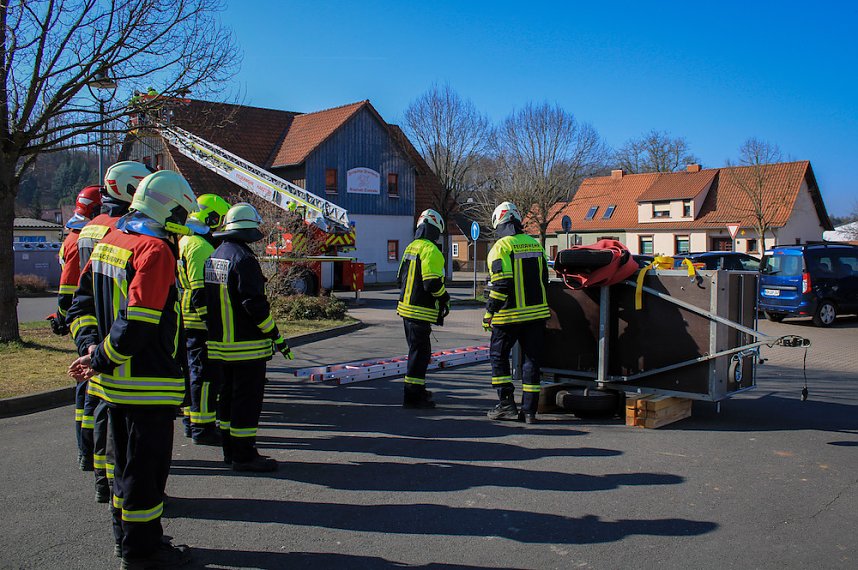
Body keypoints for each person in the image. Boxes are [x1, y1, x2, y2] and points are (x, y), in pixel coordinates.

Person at [67, 169, 201, 568]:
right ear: (168, 208)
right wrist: (99, 357)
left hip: (111, 386)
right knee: (145, 475)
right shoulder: (155, 250)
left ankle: (125, 542)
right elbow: (138, 324)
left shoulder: (109, 241)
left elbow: (80, 306)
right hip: (147, 385)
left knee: (123, 470)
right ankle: (143, 553)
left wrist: (90, 348)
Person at [74, 161, 151, 504]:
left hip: (96, 332)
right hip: (121, 343)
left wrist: (87, 343)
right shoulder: (127, 231)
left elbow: (77, 289)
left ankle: (95, 471)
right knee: (114, 422)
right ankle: (112, 484)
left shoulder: (89, 229)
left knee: (94, 407)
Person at [204, 203, 293, 473]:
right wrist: (274, 334)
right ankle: (245, 456)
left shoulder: (215, 256)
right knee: (246, 403)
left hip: (220, 346)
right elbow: (255, 306)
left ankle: (230, 451)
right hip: (246, 347)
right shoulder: (244, 260)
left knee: (227, 399)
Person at [482, 201, 550, 424]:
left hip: (508, 316)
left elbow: (501, 284)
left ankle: (506, 405)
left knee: (498, 357)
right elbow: (544, 280)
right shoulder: (535, 244)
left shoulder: (501, 247)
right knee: (532, 362)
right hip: (536, 315)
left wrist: (489, 312)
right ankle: (529, 412)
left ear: (498, 223)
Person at [52, 185, 102, 472]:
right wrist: (63, 318)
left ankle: (88, 451)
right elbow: (68, 292)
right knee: (87, 384)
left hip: (80, 319)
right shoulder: (81, 239)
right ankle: (87, 451)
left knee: (87, 386)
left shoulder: (73, 236)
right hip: (86, 321)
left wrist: (61, 318)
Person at [177, 193, 230, 445]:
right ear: (211, 217)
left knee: (193, 373)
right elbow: (201, 292)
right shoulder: (200, 246)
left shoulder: (185, 240)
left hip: (188, 318)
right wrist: (214, 325)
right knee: (206, 375)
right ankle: (203, 427)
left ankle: (192, 421)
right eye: (220, 219)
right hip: (199, 321)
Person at [395, 209, 450, 409]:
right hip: (420, 312)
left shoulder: (411, 247)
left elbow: (399, 278)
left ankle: (417, 391)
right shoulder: (431, 250)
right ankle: (413, 396)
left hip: (406, 310)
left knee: (416, 353)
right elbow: (432, 283)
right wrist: (445, 298)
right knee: (420, 355)